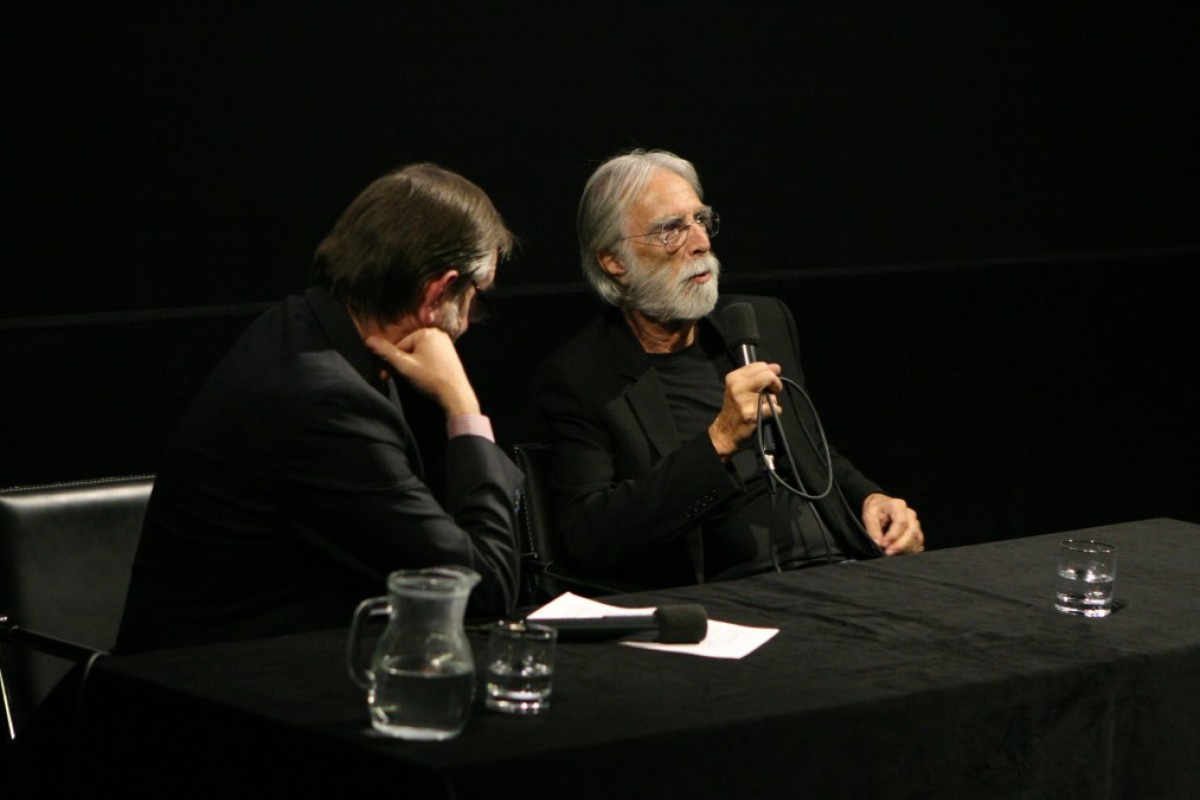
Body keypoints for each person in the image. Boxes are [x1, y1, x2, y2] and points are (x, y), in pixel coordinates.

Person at [116, 163, 524, 652]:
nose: (473, 321)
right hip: (205, 692)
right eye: (476, 301)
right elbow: (485, 590)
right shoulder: (327, 401)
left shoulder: (302, 326)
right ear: (436, 292)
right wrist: (464, 408)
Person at [533, 148, 924, 590]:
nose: (700, 242)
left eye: (700, 220)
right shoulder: (583, 377)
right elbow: (590, 538)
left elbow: (812, 451)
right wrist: (717, 440)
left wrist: (871, 498)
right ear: (613, 261)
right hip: (727, 596)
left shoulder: (760, 323)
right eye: (671, 229)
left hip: (842, 567)